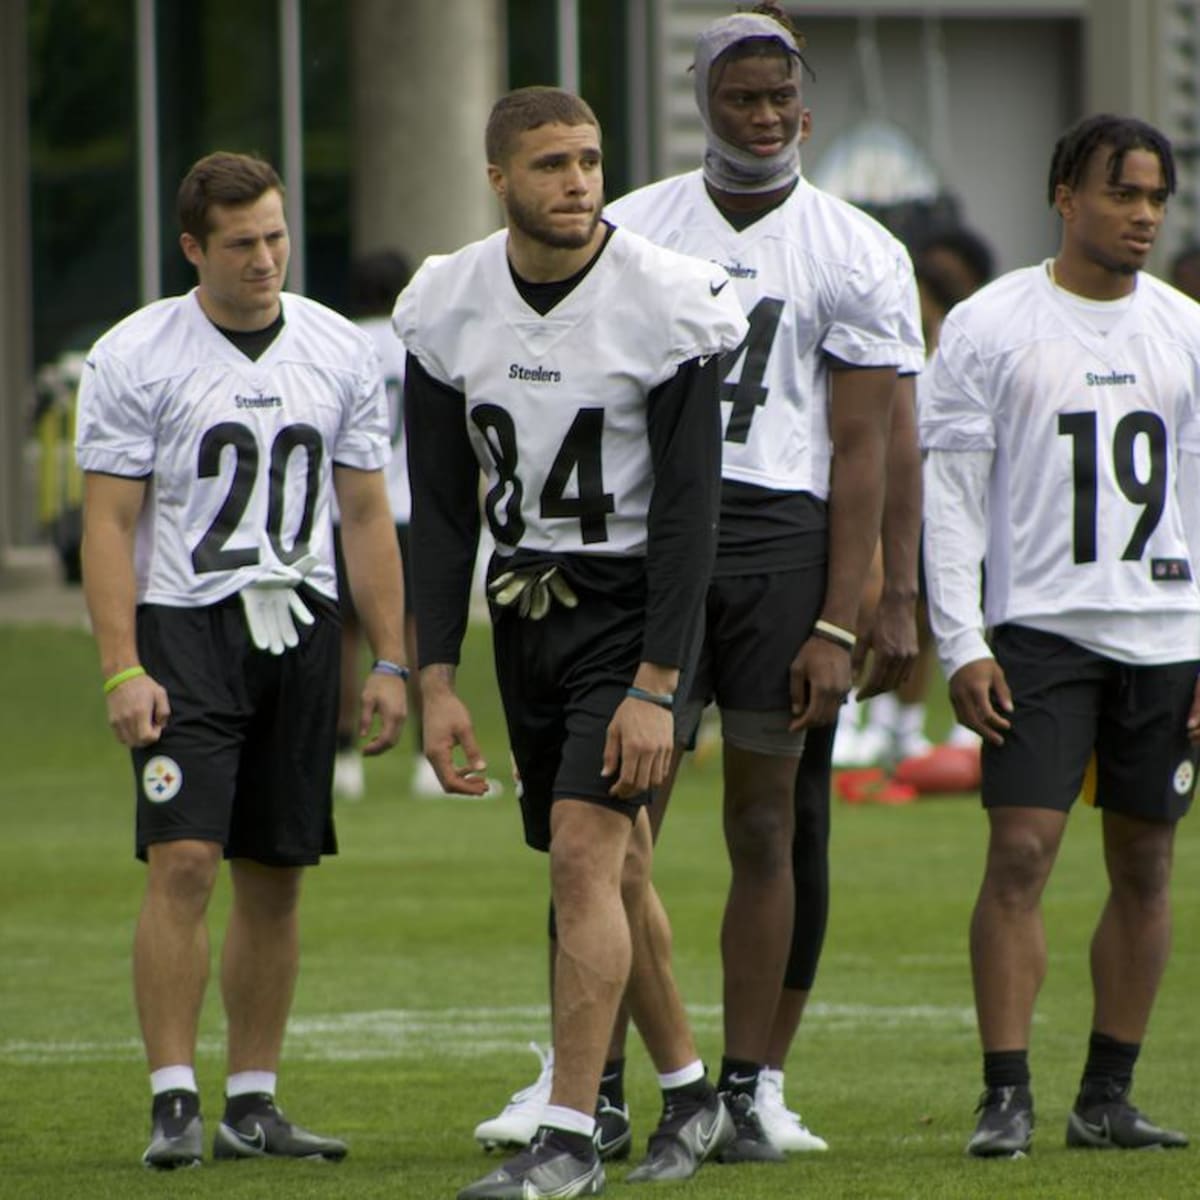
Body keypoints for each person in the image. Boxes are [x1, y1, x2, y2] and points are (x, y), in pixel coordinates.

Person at [395, 87, 748, 1199]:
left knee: (587, 857)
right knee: (617, 866)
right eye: (550, 164)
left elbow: (695, 511)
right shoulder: (447, 303)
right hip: (522, 605)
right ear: (497, 177)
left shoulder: (668, 299)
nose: (578, 182)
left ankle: (570, 1136)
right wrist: (435, 678)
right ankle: (691, 1090)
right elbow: (445, 510)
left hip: (636, 606)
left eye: (591, 160)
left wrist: (659, 682)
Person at [605, 2, 918, 1159]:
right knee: (614, 821)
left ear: (808, 102)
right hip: (655, 538)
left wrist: (846, 612)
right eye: (744, 97)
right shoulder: (633, 229)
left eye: (784, 96)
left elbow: (862, 451)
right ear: (703, 100)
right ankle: (588, 1077)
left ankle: (746, 1086)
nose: (769, 116)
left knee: (767, 820)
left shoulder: (856, 247)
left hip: (785, 543)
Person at [75, 151, 408, 1169]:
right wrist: (123, 667)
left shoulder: (338, 349)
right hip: (188, 625)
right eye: (240, 244)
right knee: (183, 859)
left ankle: (252, 1102)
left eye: (275, 236)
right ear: (192, 248)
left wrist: (392, 659)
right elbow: (107, 522)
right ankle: (173, 1097)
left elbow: (363, 513)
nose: (265, 259)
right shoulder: (135, 354)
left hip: (301, 626)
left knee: (278, 871)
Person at [921, 113, 1200, 1157]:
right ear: (1064, 196)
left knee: (1149, 869)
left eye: (1156, 198)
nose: (1142, 215)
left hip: (1167, 630)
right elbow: (948, 495)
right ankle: (1006, 1093)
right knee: (1021, 853)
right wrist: (963, 639)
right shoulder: (992, 326)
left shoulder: (1185, 328)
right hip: (1039, 630)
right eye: (1122, 193)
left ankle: (1106, 1095)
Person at [330, 249, 420, 800]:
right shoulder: (414, 346)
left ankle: (344, 760)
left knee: (345, 635)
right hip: (410, 506)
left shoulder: (340, 347)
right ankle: (427, 761)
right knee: (415, 632)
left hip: (349, 510)